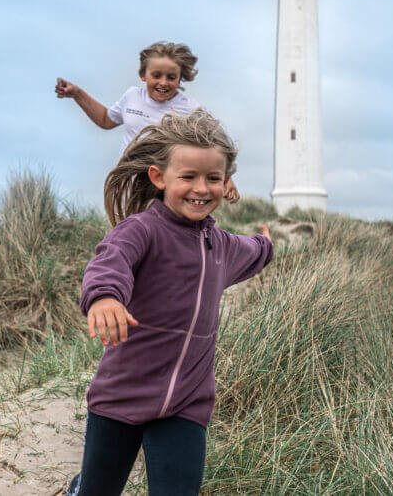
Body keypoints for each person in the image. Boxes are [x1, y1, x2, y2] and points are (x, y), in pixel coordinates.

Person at [66, 110, 273, 496]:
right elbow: (111, 261)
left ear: (226, 183)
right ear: (159, 178)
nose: (201, 187)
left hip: (186, 404)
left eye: (213, 178)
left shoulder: (222, 246)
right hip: (121, 396)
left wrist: (267, 242)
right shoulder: (142, 230)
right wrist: (105, 297)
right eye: (188, 177)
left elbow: (255, 251)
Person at [55, 41, 240, 203]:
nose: (163, 82)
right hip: (128, 180)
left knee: (157, 234)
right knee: (126, 232)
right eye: (156, 75)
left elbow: (218, 141)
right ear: (143, 75)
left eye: (171, 77)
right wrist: (77, 94)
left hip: (162, 185)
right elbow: (105, 120)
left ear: (180, 79)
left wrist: (226, 176)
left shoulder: (189, 109)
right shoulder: (132, 96)